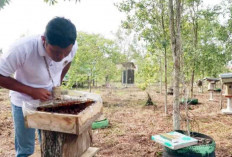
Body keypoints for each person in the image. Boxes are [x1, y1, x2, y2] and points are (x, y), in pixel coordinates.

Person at [0, 17, 78, 157]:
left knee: (51, 143)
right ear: (44, 40)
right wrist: (31, 91)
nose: (61, 57)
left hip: (49, 101)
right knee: (25, 149)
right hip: (22, 102)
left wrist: (58, 82)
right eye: (55, 52)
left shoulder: (71, 46)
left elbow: (68, 61)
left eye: (65, 52)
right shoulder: (21, 48)